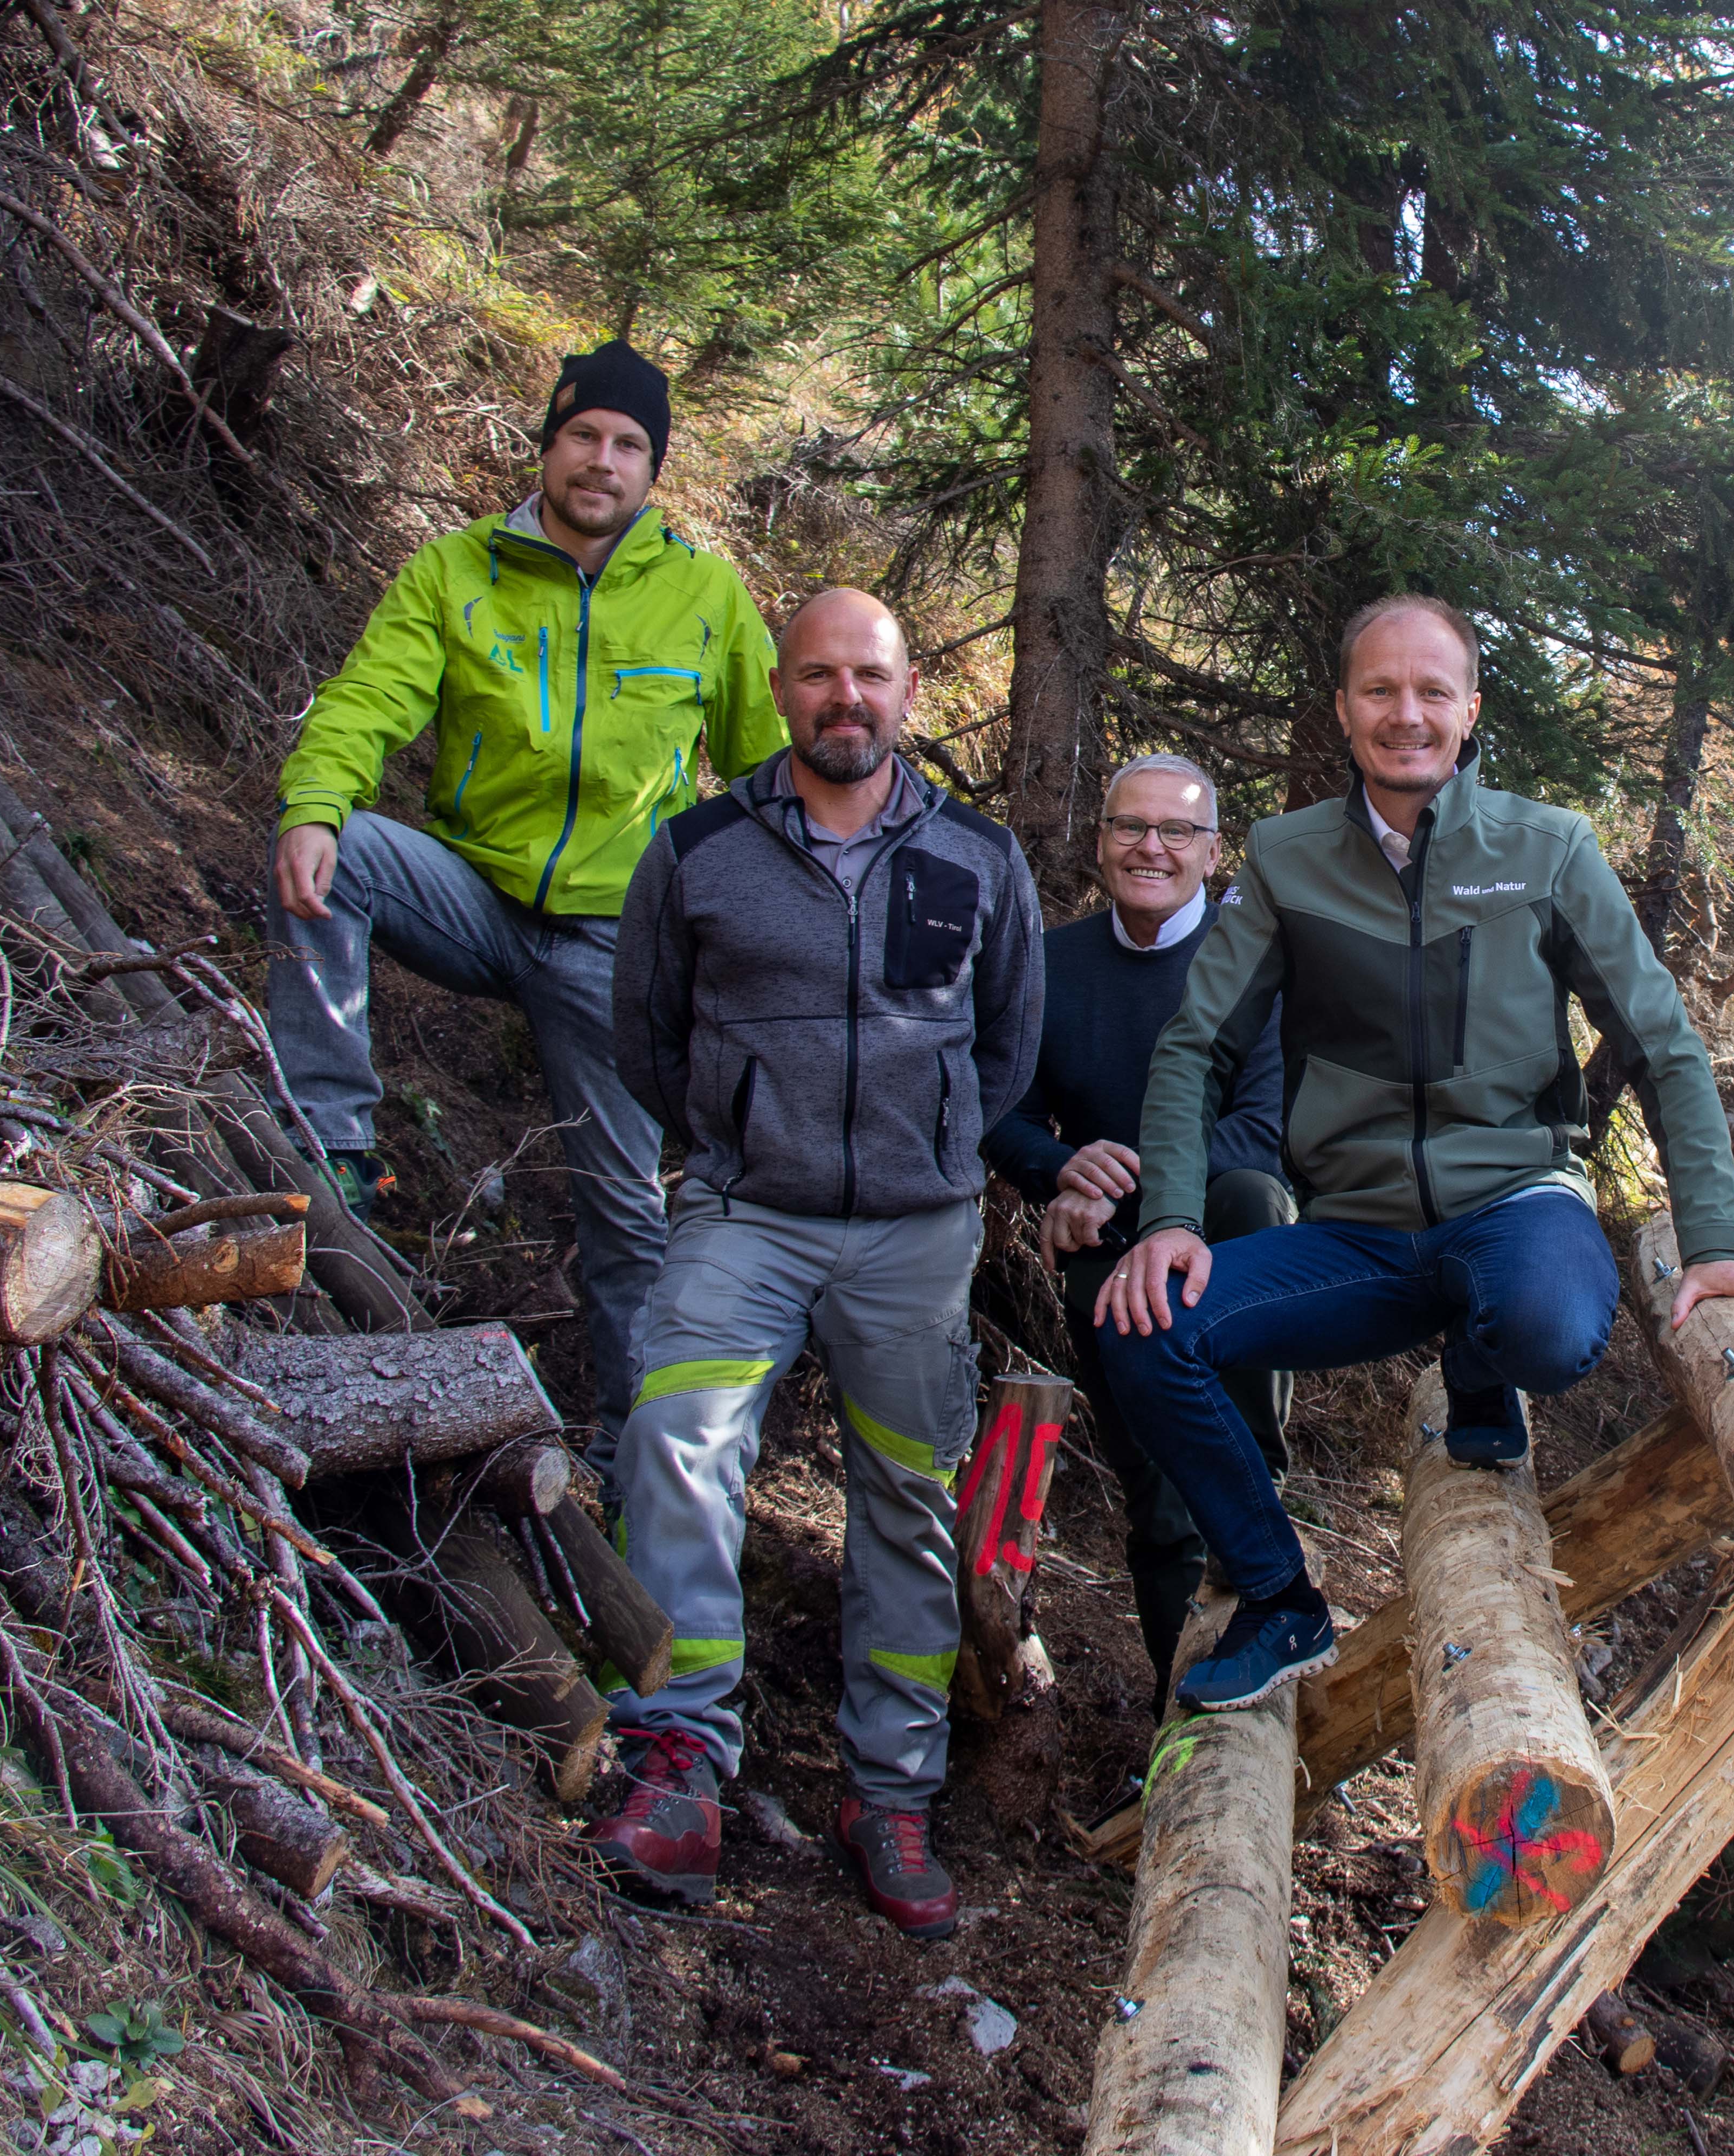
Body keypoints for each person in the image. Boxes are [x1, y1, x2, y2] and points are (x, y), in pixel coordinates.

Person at [1093, 594, 1734, 1712]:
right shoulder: (1287, 859)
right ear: (1343, 709)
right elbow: (1192, 1048)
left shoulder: (1548, 849)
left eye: (1433, 692)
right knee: (1145, 1327)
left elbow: (1663, 1042)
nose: (1406, 714)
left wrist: (1713, 1236)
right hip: (1359, 1232)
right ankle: (1281, 1597)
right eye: (1381, 689)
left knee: (1548, 1328)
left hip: (1515, 1197)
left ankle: (1481, 1366)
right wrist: (1173, 1219)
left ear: (1470, 712)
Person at [595, 588, 1043, 1938]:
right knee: (677, 1431)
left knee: (908, 1500)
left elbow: (1008, 1047)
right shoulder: (700, 851)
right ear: (780, 689)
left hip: (916, 1233)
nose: (846, 698)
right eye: (817, 676)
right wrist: (739, 1137)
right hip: (750, 1215)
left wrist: (937, 1151)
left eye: (873, 676)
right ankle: (679, 1759)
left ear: (910, 692)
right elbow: (649, 1039)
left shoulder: (980, 856)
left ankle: (889, 1792)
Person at [266, 341, 785, 1456]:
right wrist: (313, 799)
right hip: (472, 896)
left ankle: (627, 1459)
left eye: (629, 445)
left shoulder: (704, 594)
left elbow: (763, 777)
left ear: (655, 470)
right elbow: (367, 702)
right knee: (343, 847)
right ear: (548, 446)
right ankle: (333, 1136)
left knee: (625, 1214)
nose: (603, 460)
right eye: (584, 435)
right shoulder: (455, 571)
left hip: (614, 940)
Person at [983, 752, 1294, 1681]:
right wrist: (1058, 1168)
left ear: (1211, 852)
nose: (1150, 847)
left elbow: (1264, 1133)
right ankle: (1183, 1717)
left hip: (1227, 1248)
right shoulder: (1051, 964)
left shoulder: (1257, 967)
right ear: (1100, 839)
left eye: (1176, 832)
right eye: (1130, 827)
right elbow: (998, 1108)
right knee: (1159, 1504)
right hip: (1104, 1250)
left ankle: (1264, 1558)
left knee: (1251, 1201)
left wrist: (1145, 1193)